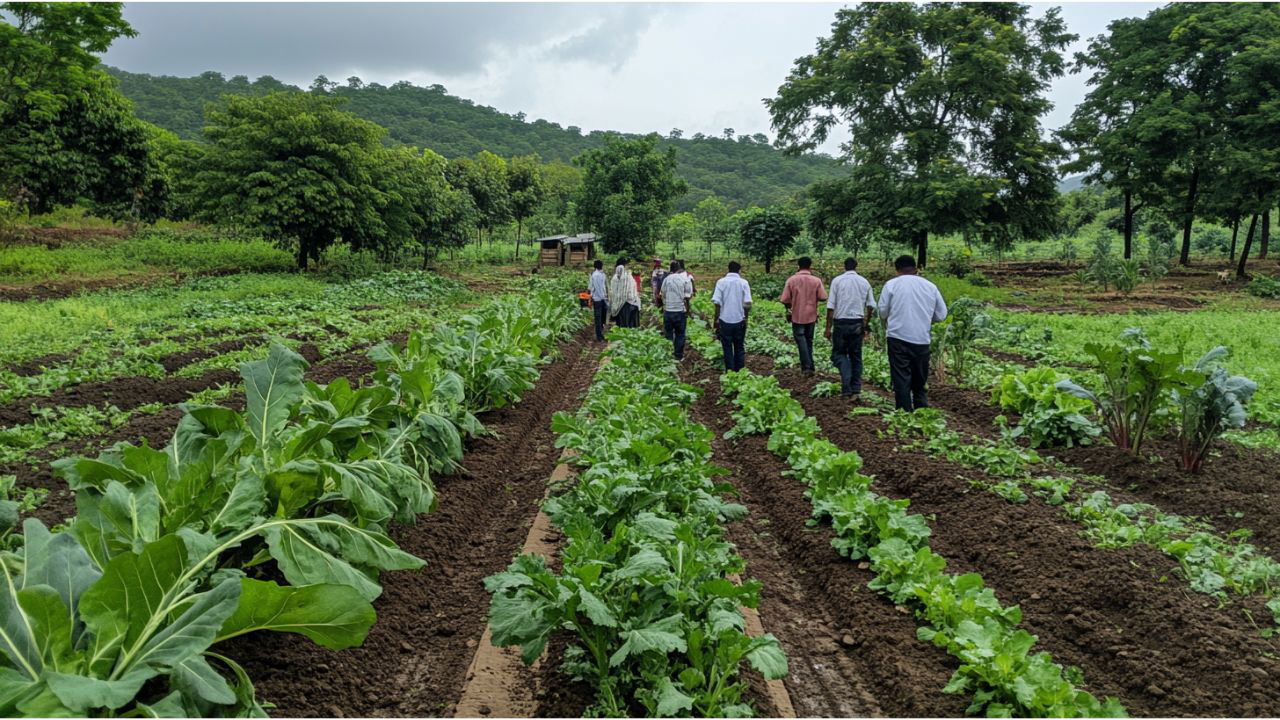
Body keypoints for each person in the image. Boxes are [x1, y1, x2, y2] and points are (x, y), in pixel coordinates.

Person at [878, 255, 948, 412]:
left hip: (897, 337)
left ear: (897, 269)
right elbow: (941, 315)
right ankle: (922, 411)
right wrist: (925, 319)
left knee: (901, 378)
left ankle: (904, 413)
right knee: (919, 379)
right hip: (921, 339)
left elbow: (882, 312)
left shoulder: (891, 285)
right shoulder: (930, 286)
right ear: (916, 268)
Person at [824, 257, 877, 397]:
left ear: (844, 267)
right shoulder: (864, 282)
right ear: (856, 267)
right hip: (857, 323)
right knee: (856, 356)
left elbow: (830, 307)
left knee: (838, 354)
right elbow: (871, 305)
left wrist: (828, 328)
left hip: (841, 323)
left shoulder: (837, 281)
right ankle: (856, 389)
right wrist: (866, 322)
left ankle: (846, 385)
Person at [779, 256, 828, 376]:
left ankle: (806, 367)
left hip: (797, 315)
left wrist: (789, 309)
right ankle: (810, 366)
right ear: (810, 266)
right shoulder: (816, 280)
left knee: (800, 339)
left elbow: (785, 299)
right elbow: (823, 297)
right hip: (811, 316)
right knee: (809, 340)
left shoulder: (791, 280)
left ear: (798, 266)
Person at [712, 261, 752, 372]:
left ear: (728, 269)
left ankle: (730, 371)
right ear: (739, 270)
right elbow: (747, 303)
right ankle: (740, 371)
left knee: (727, 347)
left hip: (725, 319)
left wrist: (716, 319)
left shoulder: (721, 282)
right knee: (739, 347)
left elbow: (717, 303)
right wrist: (746, 318)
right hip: (740, 319)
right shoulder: (744, 283)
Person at [660, 259, 693, 360]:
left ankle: (669, 355)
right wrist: (688, 310)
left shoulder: (666, 279)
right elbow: (688, 296)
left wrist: (665, 305)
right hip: (680, 311)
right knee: (680, 334)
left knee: (668, 333)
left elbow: (662, 294)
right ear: (679, 269)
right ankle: (678, 356)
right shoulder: (685, 279)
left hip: (668, 310)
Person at [607, 257, 642, 328]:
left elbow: (613, 291)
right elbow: (632, 289)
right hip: (628, 303)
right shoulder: (627, 277)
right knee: (627, 322)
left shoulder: (615, 278)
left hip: (623, 303)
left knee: (623, 322)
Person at [588, 259, 609, 342]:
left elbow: (590, 287)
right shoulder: (596, 275)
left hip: (600, 298)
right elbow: (596, 288)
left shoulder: (600, 274)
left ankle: (600, 334)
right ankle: (599, 336)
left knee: (601, 317)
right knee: (599, 318)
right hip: (598, 299)